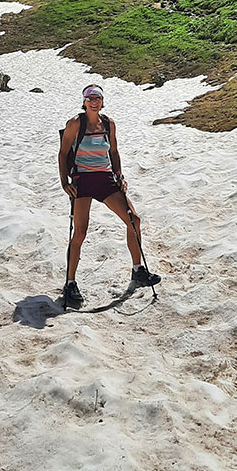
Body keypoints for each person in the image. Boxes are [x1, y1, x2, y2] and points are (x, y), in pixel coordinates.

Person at [58, 84, 160, 309]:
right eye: (90, 98)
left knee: (134, 219)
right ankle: (70, 282)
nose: (94, 101)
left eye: (98, 98)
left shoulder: (109, 124)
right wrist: (65, 182)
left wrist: (120, 176)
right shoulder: (75, 123)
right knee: (81, 232)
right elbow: (64, 152)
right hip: (82, 180)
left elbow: (113, 152)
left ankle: (138, 271)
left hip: (105, 179)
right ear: (84, 101)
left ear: (102, 101)